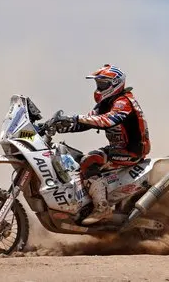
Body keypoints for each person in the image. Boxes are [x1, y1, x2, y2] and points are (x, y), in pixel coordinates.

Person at [52, 64, 151, 225]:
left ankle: (102, 208)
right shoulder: (106, 102)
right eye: (98, 84)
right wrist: (57, 126)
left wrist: (76, 117)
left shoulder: (123, 101)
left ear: (115, 84)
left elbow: (107, 120)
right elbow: (87, 122)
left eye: (103, 84)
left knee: (89, 161)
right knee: (75, 159)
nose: (99, 88)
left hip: (131, 150)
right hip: (117, 148)